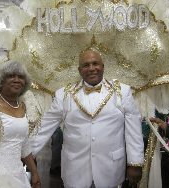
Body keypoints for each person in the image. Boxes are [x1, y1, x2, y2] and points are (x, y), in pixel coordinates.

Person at [30, 49, 144, 188]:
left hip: (111, 168)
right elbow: (45, 127)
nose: (91, 68)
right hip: (74, 170)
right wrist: (28, 154)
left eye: (95, 63)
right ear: (79, 70)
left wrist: (135, 163)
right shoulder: (64, 95)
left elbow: (134, 130)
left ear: (103, 67)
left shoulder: (122, 92)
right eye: (86, 65)